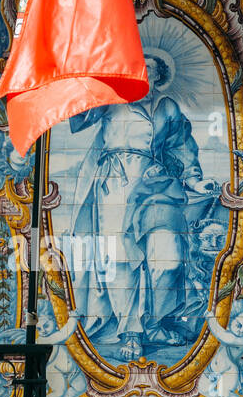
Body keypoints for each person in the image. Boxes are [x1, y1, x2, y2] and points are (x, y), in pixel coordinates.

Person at [67, 51, 219, 360]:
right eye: (137, 70)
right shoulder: (111, 99)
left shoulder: (168, 108)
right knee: (123, 257)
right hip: (115, 182)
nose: (143, 76)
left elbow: (183, 149)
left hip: (157, 185)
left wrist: (195, 179)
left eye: (149, 71)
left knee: (170, 258)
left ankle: (155, 322)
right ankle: (131, 330)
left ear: (160, 77)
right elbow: (78, 118)